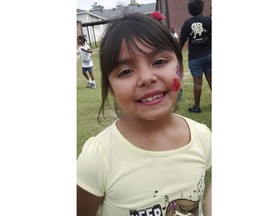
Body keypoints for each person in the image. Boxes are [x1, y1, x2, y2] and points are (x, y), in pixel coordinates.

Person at [77, 12, 211, 216]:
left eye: (158, 62)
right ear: (111, 89)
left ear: (180, 68)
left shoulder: (202, 136)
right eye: (125, 72)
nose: (146, 78)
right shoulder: (99, 157)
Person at [179, 0, 211, 113]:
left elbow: (181, 41)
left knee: (197, 83)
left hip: (195, 57)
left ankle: (197, 107)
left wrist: (177, 55)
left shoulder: (187, 23)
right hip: (209, 54)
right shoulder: (209, 20)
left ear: (189, 11)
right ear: (202, 8)